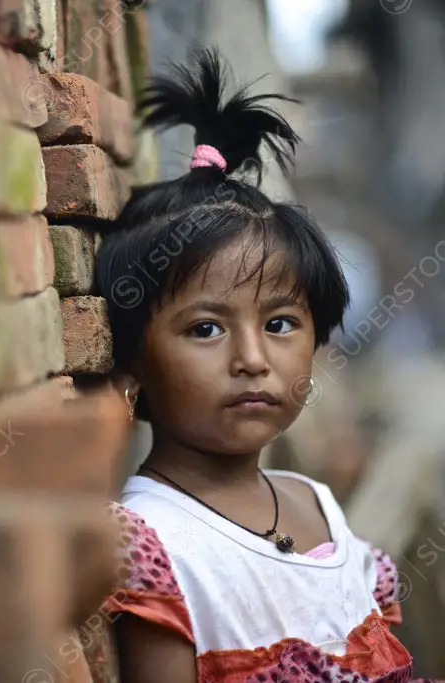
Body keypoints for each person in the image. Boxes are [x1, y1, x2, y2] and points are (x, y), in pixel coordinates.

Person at [94, 49, 441, 683]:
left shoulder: (321, 508)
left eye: (281, 324)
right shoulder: (153, 544)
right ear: (132, 360)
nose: (252, 360)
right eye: (205, 329)